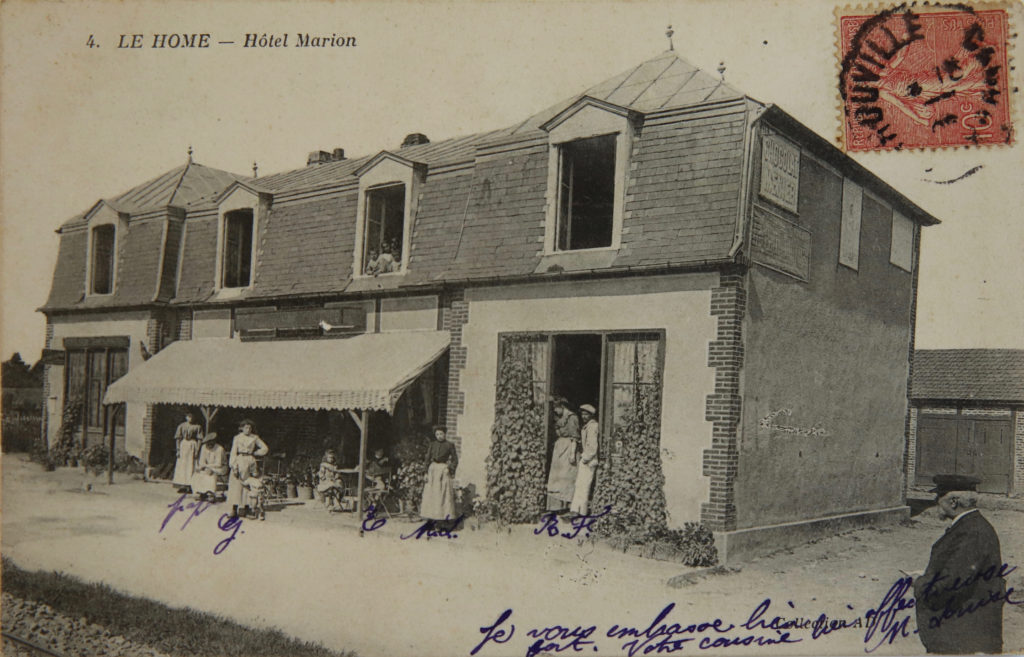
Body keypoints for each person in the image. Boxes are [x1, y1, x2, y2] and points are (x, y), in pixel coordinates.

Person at [913, 476, 1005, 654]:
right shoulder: (971, 525)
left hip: (964, 634)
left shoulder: (972, 532)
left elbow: (953, 582)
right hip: (965, 628)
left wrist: (919, 582)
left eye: (938, 496)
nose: (935, 502)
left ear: (953, 502)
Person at [228, 419, 269, 518]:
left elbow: (265, 448)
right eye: (246, 427)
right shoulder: (237, 438)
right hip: (239, 460)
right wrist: (233, 465)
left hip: (250, 461)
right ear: (242, 428)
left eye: (250, 428)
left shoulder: (254, 438)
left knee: (248, 485)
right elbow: (233, 452)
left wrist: (255, 453)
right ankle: (234, 508)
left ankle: (247, 508)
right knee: (236, 484)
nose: (248, 429)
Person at [546, 397, 578, 512]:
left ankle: (566, 505)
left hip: (568, 448)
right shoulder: (559, 418)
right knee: (557, 477)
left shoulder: (572, 418)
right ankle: (556, 506)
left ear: (562, 407)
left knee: (566, 477)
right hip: (559, 448)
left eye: (556, 408)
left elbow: (575, 437)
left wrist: (572, 454)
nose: (555, 411)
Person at [420, 425, 457, 521]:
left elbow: (455, 460)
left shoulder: (449, 445)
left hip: (443, 470)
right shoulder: (432, 444)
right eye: (437, 434)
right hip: (433, 470)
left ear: (445, 434)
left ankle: (442, 517)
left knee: (442, 493)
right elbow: (427, 459)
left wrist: (449, 468)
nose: (439, 436)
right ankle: (432, 517)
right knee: (432, 493)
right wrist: (425, 472)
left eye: (441, 434)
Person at [570, 404, 599, 515]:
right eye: (582, 414)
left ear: (591, 415)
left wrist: (585, 458)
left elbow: (592, 446)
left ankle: (581, 512)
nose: (583, 416)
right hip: (586, 460)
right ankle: (577, 510)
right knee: (580, 485)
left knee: (584, 486)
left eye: (586, 414)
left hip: (589, 461)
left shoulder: (592, 426)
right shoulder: (587, 426)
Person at [172, 411, 203, 493]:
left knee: (191, 465)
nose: (190, 418)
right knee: (182, 465)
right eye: (188, 416)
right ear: (186, 417)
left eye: (192, 417)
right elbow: (178, 438)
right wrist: (178, 450)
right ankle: (182, 485)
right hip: (184, 445)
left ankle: (190, 485)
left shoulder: (197, 427)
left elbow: (200, 439)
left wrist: (197, 450)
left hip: (192, 445)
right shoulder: (181, 426)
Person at [191, 432, 227, 501]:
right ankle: (199, 492)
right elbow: (202, 461)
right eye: (207, 443)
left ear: (214, 441)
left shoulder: (219, 449)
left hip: (220, 468)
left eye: (210, 442)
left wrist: (209, 468)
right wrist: (202, 467)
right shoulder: (204, 447)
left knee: (211, 475)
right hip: (208, 467)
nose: (208, 445)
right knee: (197, 474)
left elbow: (218, 464)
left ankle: (210, 492)